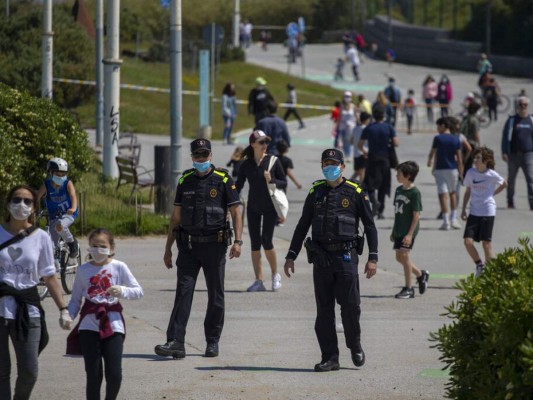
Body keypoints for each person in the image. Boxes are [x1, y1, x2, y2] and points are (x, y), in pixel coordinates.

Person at [283, 148, 378, 372]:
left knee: (350, 307)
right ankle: (330, 357)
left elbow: (370, 226)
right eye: (326, 163)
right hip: (322, 258)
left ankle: (354, 345)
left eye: (333, 163)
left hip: (346, 257)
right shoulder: (316, 191)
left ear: (343, 166)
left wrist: (372, 258)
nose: (329, 167)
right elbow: (302, 225)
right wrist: (291, 255)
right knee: (324, 311)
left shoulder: (355, 191)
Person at [154, 139, 243, 359]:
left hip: (215, 246)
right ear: (192, 157)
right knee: (183, 294)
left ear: (211, 155)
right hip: (189, 247)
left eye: (205, 155)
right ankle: (176, 342)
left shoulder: (223, 179)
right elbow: (176, 217)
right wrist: (168, 248)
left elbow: (235, 212)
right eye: (197, 155)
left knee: (216, 296)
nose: (201, 159)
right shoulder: (185, 180)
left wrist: (238, 241)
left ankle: (212, 341)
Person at [1, 185, 71, 400]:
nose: (21, 205)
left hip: (28, 309)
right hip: (1, 309)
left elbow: (49, 275)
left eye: (27, 201)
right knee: (1, 372)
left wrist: (63, 309)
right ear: (7, 203)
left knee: (30, 370)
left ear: (33, 208)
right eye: (16, 200)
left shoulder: (40, 237)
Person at [66, 228, 143, 400]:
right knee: (93, 375)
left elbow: (138, 291)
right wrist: (68, 316)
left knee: (115, 374)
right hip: (88, 325)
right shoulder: (83, 270)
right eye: (94, 246)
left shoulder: (119, 267)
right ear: (89, 247)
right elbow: (75, 300)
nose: (98, 250)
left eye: (102, 246)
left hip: (113, 324)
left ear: (111, 247)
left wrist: (122, 290)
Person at [236, 130, 287, 292]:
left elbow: (283, 182)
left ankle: (275, 275)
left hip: (270, 207)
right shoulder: (246, 164)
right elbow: (238, 185)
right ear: (253, 144)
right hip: (253, 207)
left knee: (267, 241)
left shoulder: (273, 161)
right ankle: (259, 280)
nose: (265, 145)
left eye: (266, 142)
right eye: (261, 142)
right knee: (255, 243)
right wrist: (230, 200)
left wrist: (271, 180)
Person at [461, 147, 507, 277]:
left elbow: (505, 184)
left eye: (478, 158)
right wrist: (464, 208)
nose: (475, 160)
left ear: (486, 160)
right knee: (467, 242)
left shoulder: (491, 174)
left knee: (486, 244)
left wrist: (493, 194)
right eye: (474, 158)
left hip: (488, 211)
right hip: (474, 212)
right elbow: (468, 190)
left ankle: (492, 274)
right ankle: (479, 265)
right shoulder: (470, 172)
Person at [390, 162, 429, 299]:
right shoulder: (399, 190)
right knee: (399, 257)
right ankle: (420, 274)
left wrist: (410, 234)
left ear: (408, 176)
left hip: (409, 230)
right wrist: (394, 231)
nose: (396, 175)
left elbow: (416, 215)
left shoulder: (414, 193)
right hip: (399, 229)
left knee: (405, 256)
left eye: (399, 173)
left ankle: (409, 288)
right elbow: (397, 212)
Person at [358, 105, 399, 219]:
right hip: (385, 159)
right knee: (383, 186)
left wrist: (365, 152)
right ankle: (381, 212)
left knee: (368, 184)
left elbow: (360, 144)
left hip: (372, 159)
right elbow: (396, 143)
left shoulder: (369, 128)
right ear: (384, 116)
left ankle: (374, 201)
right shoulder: (389, 127)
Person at [37, 157, 79, 258]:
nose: (61, 177)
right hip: (52, 216)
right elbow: (37, 197)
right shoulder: (46, 185)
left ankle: (71, 242)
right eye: (57, 174)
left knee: (60, 226)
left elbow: (73, 196)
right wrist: (35, 209)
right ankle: (55, 264)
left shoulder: (68, 184)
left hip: (67, 214)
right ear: (50, 173)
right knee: (51, 244)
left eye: (63, 175)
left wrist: (73, 208)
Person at [427, 117, 463, 230]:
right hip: (452, 169)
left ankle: (446, 221)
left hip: (440, 169)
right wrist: (461, 172)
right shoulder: (455, 139)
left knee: (443, 195)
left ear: (443, 126)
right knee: (452, 193)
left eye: (438, 126)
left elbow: (433, 153)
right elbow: (459, 158)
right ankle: (454, 218)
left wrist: (430, 162)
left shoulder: (437, 138)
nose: (437, 128)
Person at [501, 96, 533, 210]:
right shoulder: (511, 121)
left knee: (531, 179)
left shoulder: (531, 120)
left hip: (528, 155)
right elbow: (505, 137)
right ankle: (510, 201)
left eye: (525, 105)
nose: (523, 107)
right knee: (511, 180)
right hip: (513, 155)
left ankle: (532, 202)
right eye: (521, 104)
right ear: (517, 106)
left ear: (527, 106)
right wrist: (504, 151)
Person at [350, 111, 370, 183]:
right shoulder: (366, 129)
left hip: (356, 153)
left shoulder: (355, 128)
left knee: (357, 171)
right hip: (363, 152)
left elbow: (351, 141)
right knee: (362, 172)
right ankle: (360, 188)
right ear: (366, 120)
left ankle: (347, 184)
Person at [337, 91, 356, 159]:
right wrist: (337, 125)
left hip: (351, 127)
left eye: (348, 96)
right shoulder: (341, 106)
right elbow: (339, 116)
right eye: (345, 96)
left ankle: (349, 155)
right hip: (343, 126)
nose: (347, 98)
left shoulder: (353, 106)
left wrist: (357, 125)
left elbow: (356, 116)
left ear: (351, 98)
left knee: (350, 141)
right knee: (344, 141)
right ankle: (346, 154)